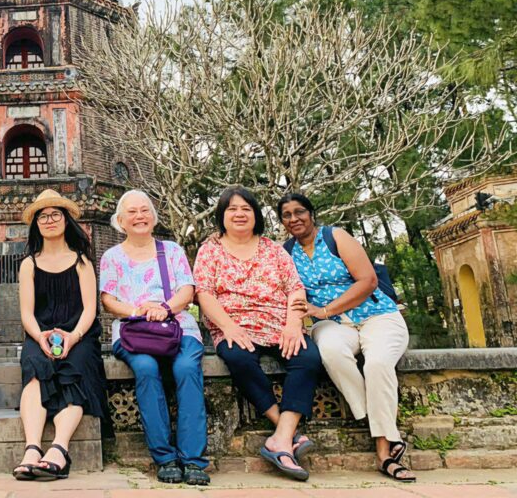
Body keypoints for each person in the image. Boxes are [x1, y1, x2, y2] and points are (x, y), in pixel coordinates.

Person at [278, 192, 415, 483]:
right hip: (333, 326)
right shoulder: (286, 252)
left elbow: (368, 280)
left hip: (377, 316)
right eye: (286, 215)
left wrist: (325, 309)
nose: (294, 219)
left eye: (299, 212)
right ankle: (373, 415)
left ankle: (383, 449)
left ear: (312, 213)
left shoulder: (335, 237)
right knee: (329, 352)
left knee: (377, 364)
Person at [193, 186, 322, 481]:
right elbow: (204, 294)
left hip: (278, 322)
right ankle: (285, 432)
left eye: (246, 209)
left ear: (256, 215)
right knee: (238, 358)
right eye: (232, 209)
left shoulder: (273, 249)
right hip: (233, 325)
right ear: (222, 216)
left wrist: (293, 324)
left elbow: (295, 288)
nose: (239, 214)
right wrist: (228, 326)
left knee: (308, 356)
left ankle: (280, 438)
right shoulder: (210, 250)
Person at [100, 190, 211, 486]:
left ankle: (193, 459)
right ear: (120, 221)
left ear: (153, 216)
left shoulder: (171, 250)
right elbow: (108, 299)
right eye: (132, 212)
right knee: (147, 369)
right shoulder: (112, 257)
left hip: (177, 325)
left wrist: (163, 308)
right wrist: (139, 310)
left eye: (145, 210)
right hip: (134, 330)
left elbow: (187, 291)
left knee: (187, 368)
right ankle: (165, 457)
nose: (140, 216)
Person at [13, 190, 107, 481]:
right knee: (34, 370)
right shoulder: (29, 264)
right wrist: (40, 336)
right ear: (36, 224)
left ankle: (59, 449)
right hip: (40, 334)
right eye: (43, 216)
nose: (49, 220)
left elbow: (91, 308)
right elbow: (27, 312)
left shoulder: (82, 262)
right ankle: (31, 448)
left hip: (79, 334)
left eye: (55, 215)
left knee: (73, 373)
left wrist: (73, 336)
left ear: (66, 221)